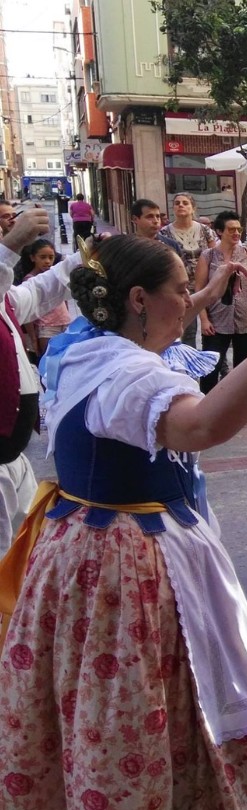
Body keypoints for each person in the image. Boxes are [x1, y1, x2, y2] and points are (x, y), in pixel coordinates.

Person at [0, 233, 247, 810]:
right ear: (136, 299)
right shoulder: (125, 373)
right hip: (121, 566)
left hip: (91, 545)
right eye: (181, 289)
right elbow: (201, 426)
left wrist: (226, 300)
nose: (190, 300)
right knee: (140, 708)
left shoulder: (88, 352)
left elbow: (182, 389)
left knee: (130, 707)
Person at [0, 209, 79, 556]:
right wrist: (13, 242)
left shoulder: (5, 298)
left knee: (25, 551)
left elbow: (40, 291)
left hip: (12, 460)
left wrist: (84, 257)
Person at [194, 211, 247, 394]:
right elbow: (199, 290)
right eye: (231, 229)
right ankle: (205, 407)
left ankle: (239, 407)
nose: (236, 233)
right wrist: (204, 319)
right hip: (216, 322)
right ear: (219, 231)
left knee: (244, 369)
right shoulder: (208, 256)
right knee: (211, 367)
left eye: (238, 229)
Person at [159, 192, 217, 349]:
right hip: (181, 287)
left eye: (185, 203)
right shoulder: (164, 233)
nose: (181, 205)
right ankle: (190, 367)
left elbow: (215, 255)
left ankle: (219, 364)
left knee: (214, 326)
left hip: (206, 283)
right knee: (188, 330)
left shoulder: (205, 230)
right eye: (177, 203)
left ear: (193, 208)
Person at [16, 240, 70, 360]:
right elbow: (28, 313)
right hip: (46, 328)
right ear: (32, 258)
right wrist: (33, 338)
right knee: (48, 363)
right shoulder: (30, 281)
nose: (47, 261)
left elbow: (63, 298)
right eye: (43, 257)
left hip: (65, 324)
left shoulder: (55, 276)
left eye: (51, 257)